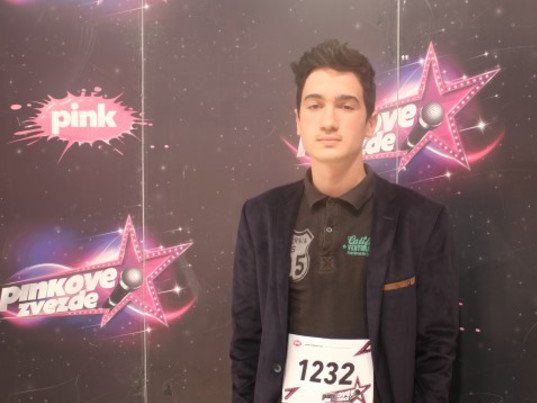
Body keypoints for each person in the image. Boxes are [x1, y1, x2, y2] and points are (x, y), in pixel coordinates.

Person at [230, 39, 458, 403]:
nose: (329, 121)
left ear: (371, 123)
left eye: (346, 105)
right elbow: (247, 341)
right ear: (298, 121)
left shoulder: (422, 221)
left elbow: (435, 348)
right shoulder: (261, 217)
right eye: (315, 105)